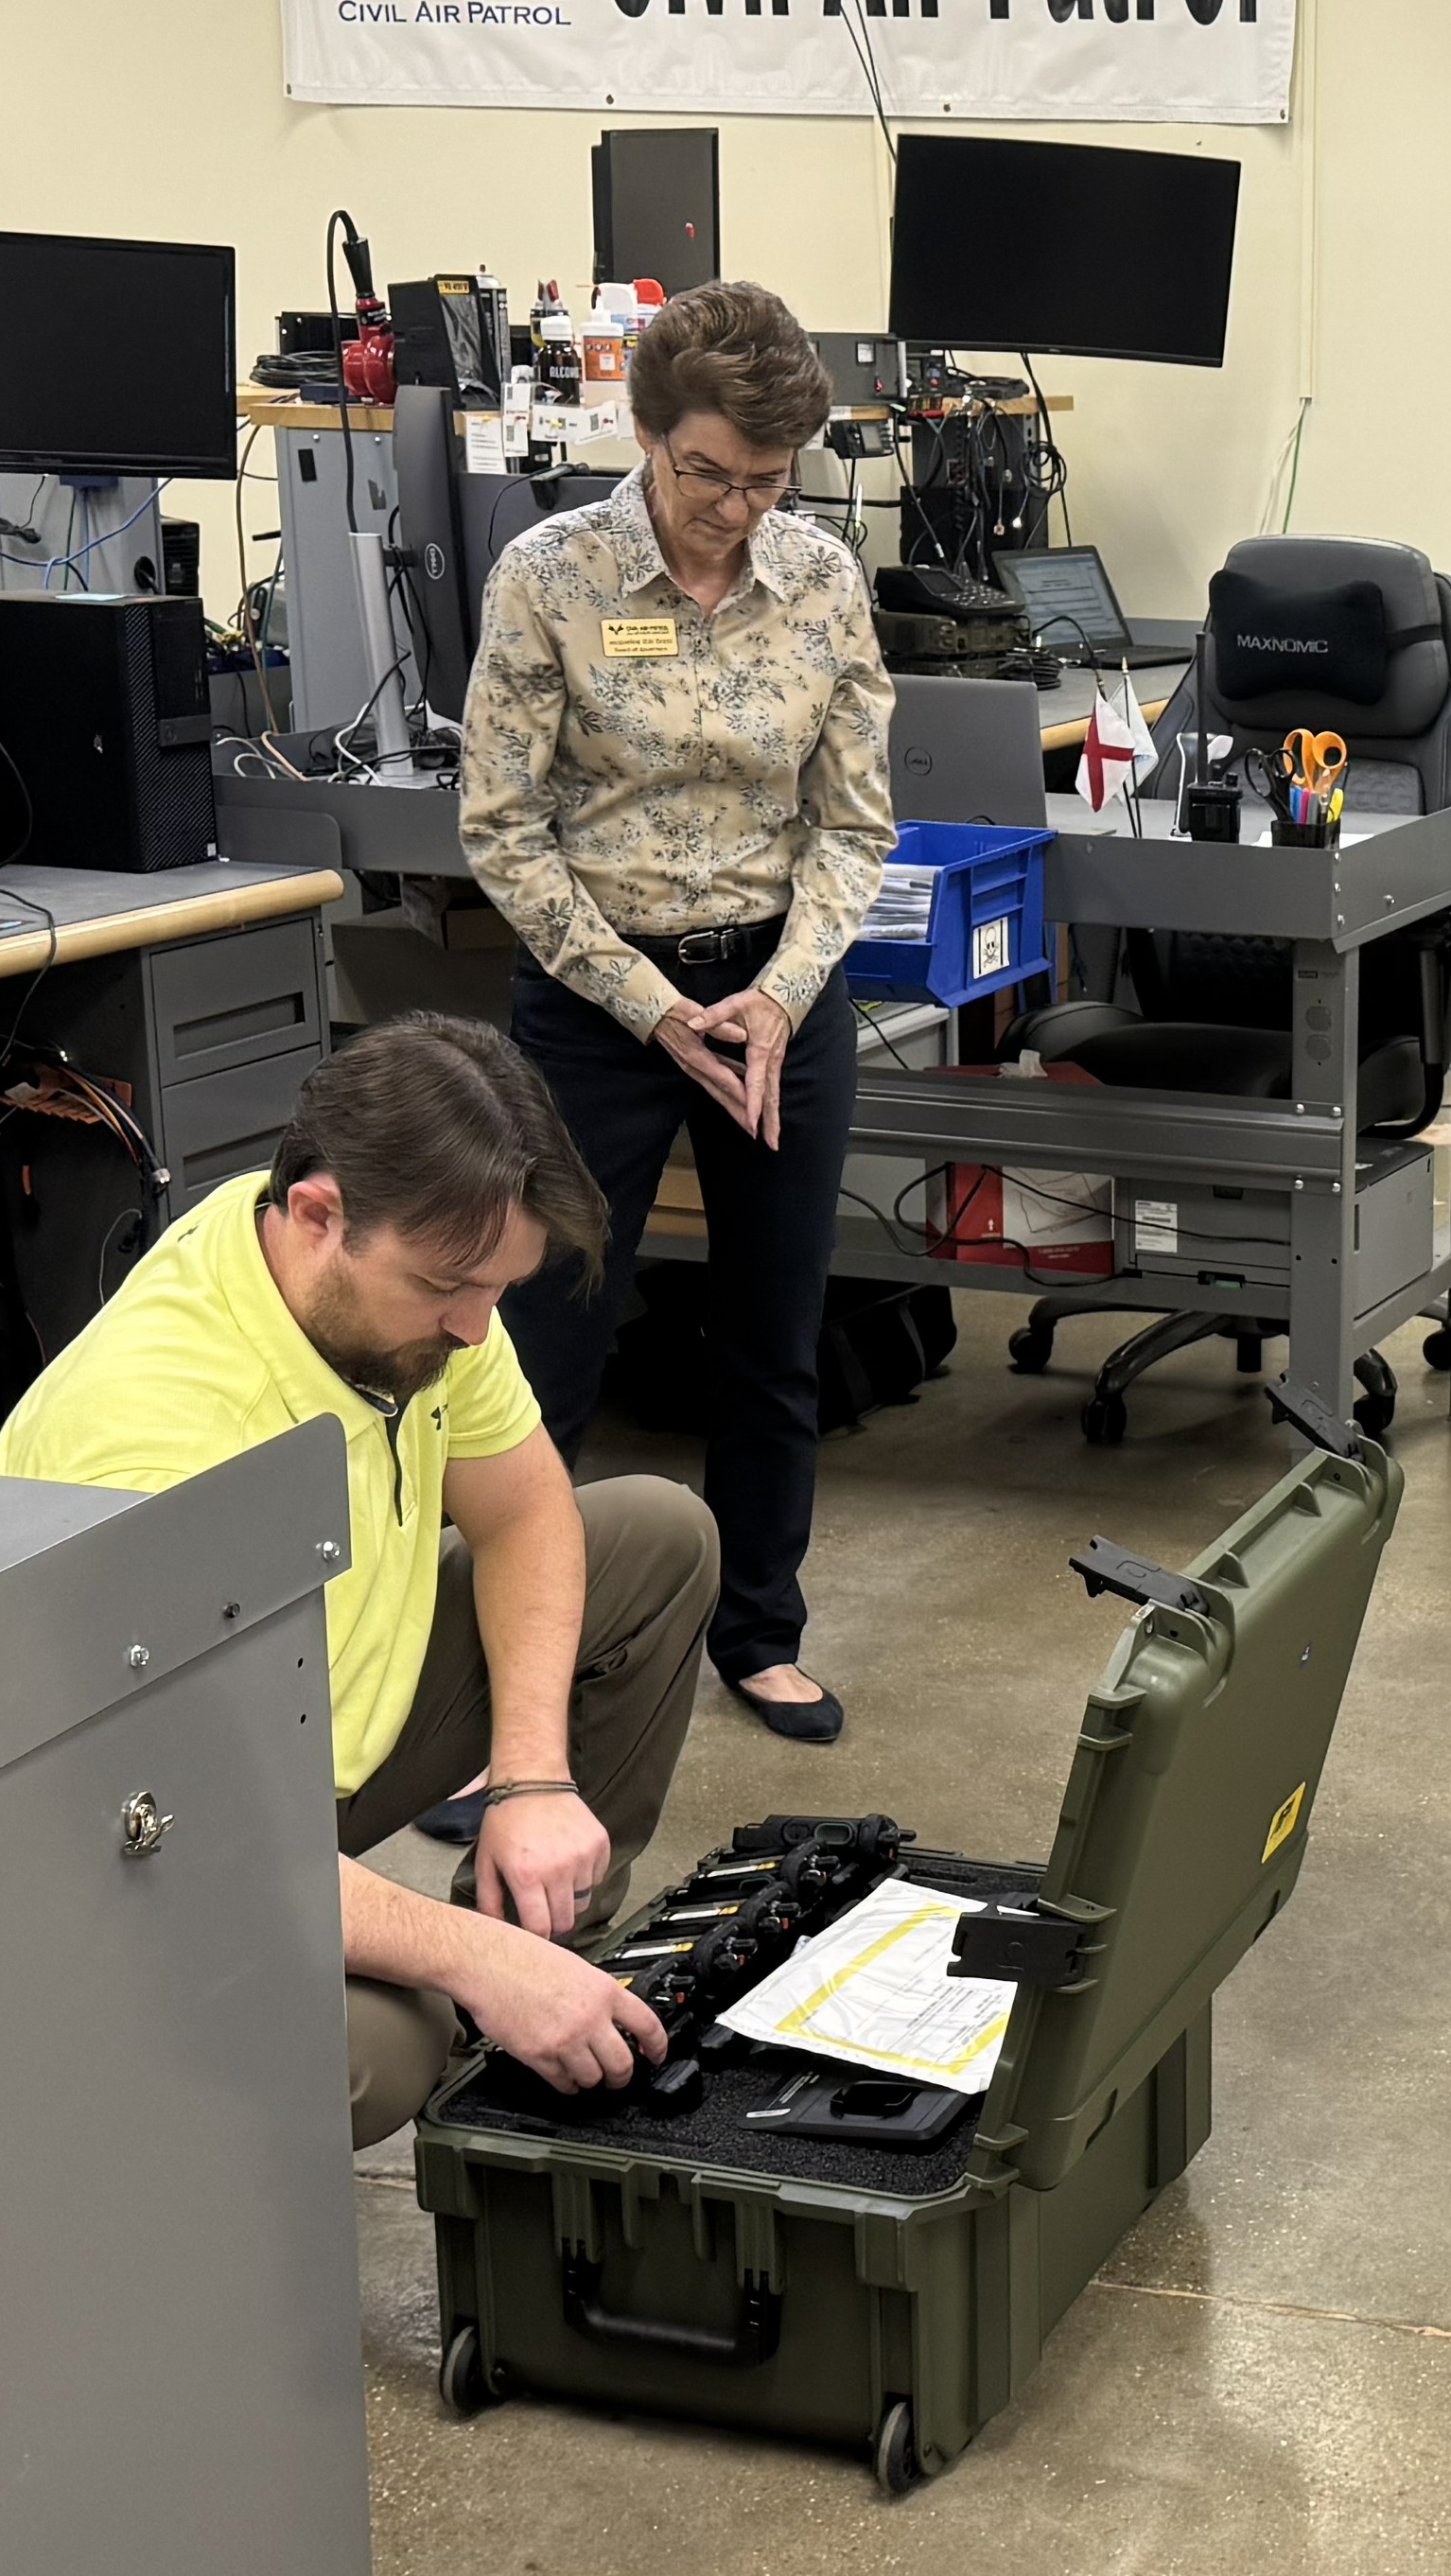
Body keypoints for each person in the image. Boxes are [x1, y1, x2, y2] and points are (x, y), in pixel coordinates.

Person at [0, 1018, 716, 2149]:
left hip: (298, 1742)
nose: (478, 1329)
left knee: (658, 1540)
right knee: (382, 2048)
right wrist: (469, 1960)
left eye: (496, 1288)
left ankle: (552, 1986)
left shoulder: (379, 1278)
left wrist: (528, 1779)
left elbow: (526, 1507)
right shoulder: (154, 1443)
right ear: (321, 1215)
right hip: (114, 1854)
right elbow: (203, 1837)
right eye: (449, 1289)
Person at [460, 276, 897, 1750]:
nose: (730, 509)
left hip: (778, 994)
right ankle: (520, 1691)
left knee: (771, 1336)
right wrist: (655, 1012)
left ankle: (758, 1632)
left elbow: (854, 826)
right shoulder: (550, 576)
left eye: (764, 482)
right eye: (703, 472)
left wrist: (775, 999)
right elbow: (501, 830)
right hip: (601, 1003)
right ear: (644, 435)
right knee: (546, 1346)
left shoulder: (824, 578)